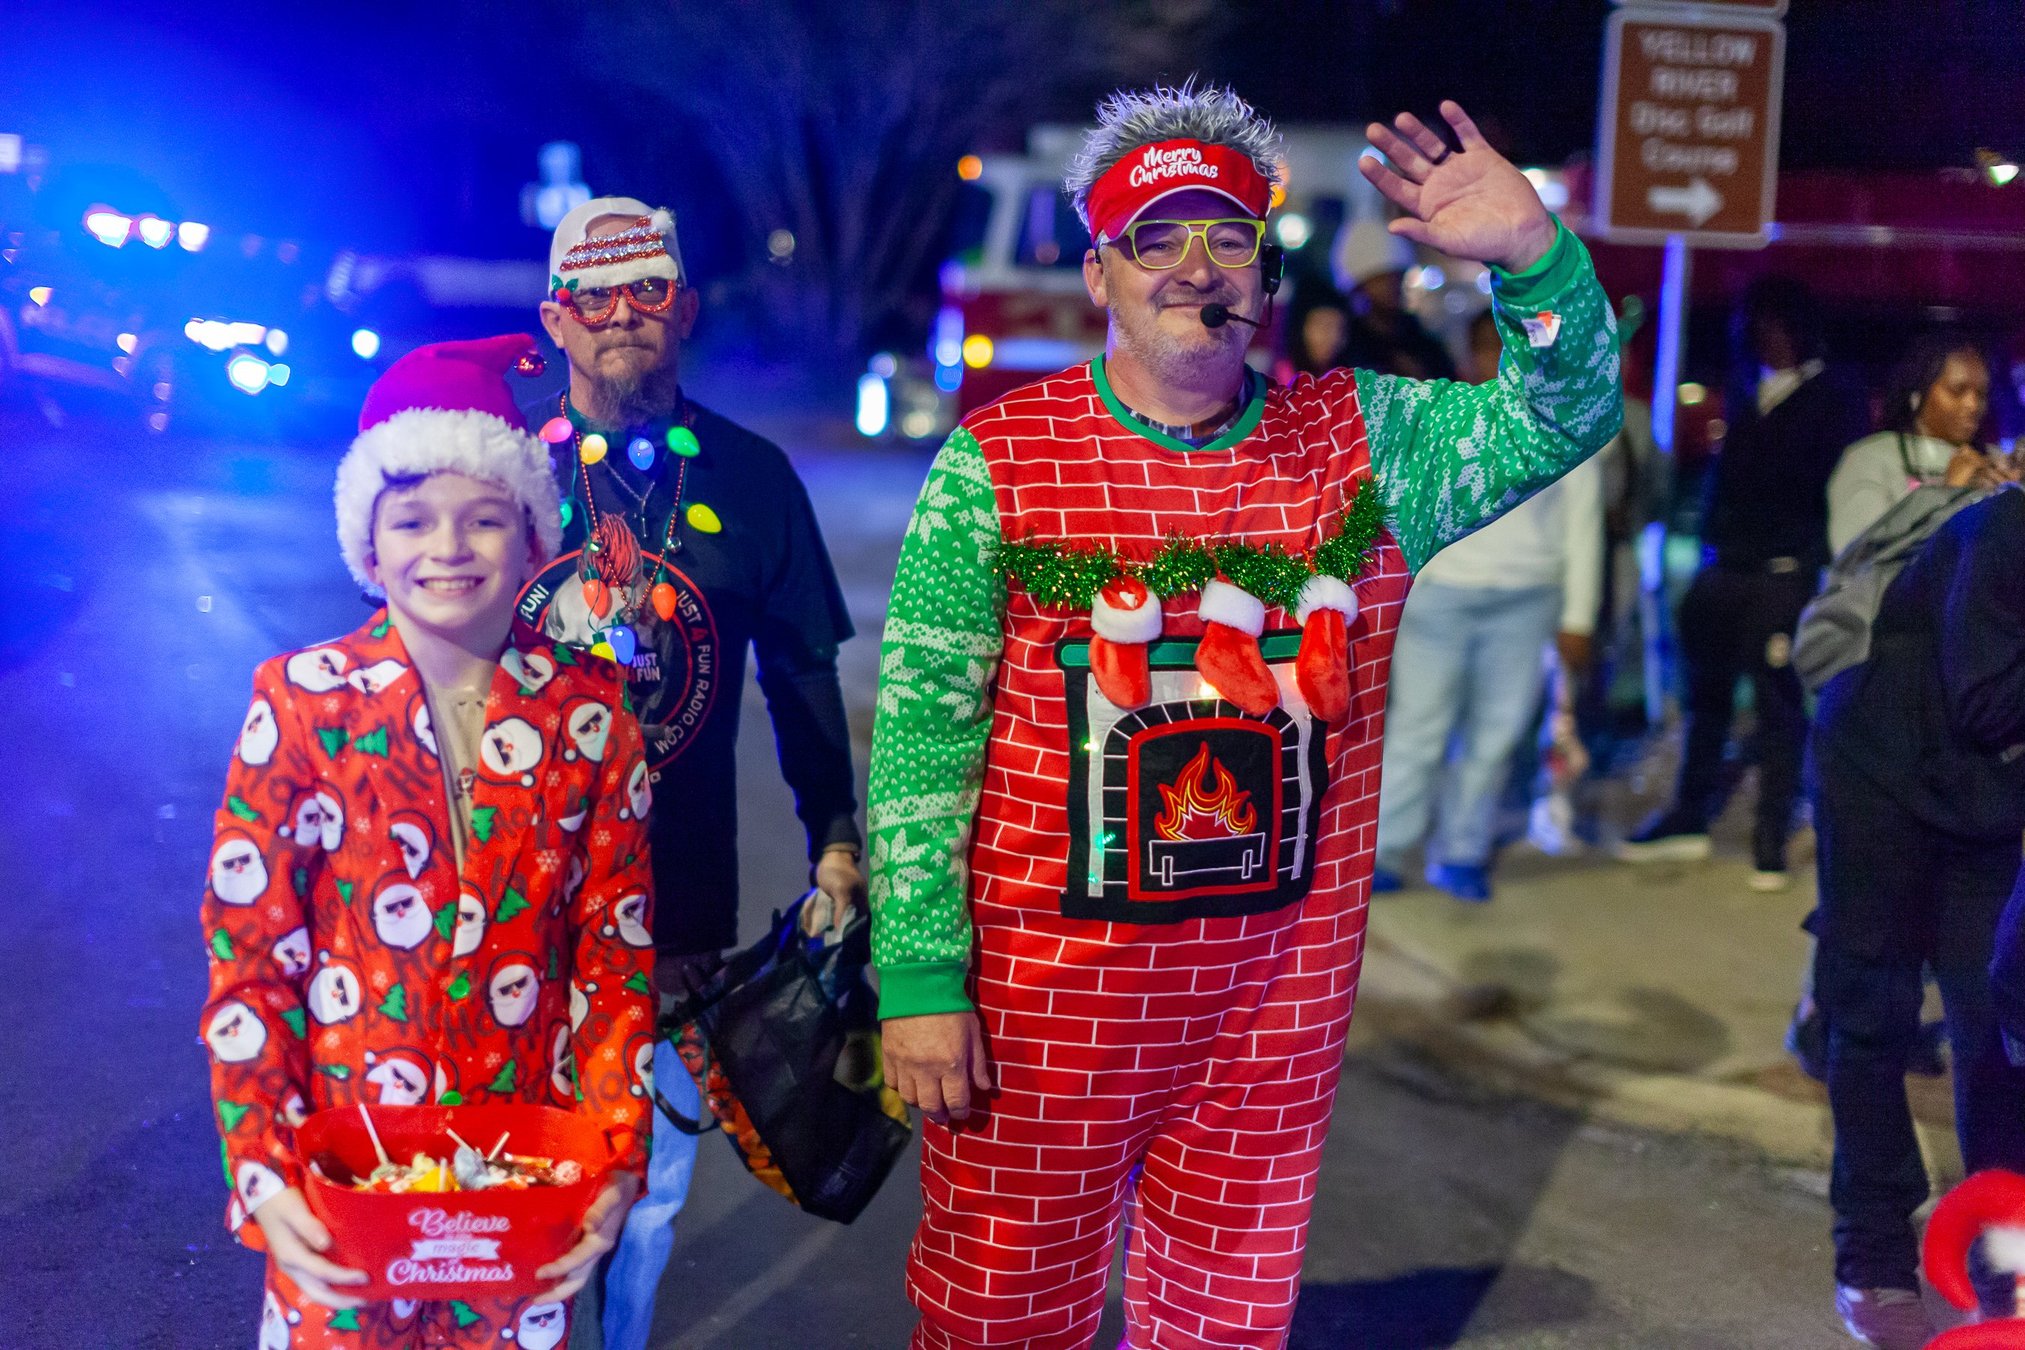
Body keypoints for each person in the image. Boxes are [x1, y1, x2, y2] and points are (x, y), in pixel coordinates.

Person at [866, 81, 1620, 1347]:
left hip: (1269, 1009)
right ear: (1099, 274)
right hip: (1039, 1013)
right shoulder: (996, 460)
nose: (1192, 266)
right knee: (1000, 1315)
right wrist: (921, 980)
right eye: (1154, 239)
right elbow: (922, 742)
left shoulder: (1366, 445)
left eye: (1226, 238)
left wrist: (1535, 256)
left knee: (1221, 1322)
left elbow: (1568, 410)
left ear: (1266, 279)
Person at [200, 335, 655, 1348]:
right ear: (369, 541)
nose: (448, 548)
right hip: (343, 1185)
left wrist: (618, 1159)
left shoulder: (593, 714)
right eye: (412, 520)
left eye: (485, 519)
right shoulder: (302, 702)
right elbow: (251, 965)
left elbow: (611, 963)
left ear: (531, 536)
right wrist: (264, 1171)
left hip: (520, 1195)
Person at [513, 198, 866, 1350]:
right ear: (554, 319)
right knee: (508, 1166)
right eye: (594, 299)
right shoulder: (497, 464)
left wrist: (836, 838)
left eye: (648, 293)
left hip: (677, 900)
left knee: (650, 1186)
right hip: (505, 898)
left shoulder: (755, 479)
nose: (622, 318)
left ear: (687, 311)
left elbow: (803, 675)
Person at [1808, 485, 2025, 1349]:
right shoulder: (2006, 526)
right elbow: (1986, 700)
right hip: (1878, 772)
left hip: (1984, 799)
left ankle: (2002, 1257)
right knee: (1872, 1013)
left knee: (1987, 1024)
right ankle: (1872, 1259)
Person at [1616, 277, 1868, 889]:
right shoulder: (1745, 389)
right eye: (1755, 322)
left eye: (1775, 322)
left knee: (1780, 708)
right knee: (1706, 699)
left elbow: (1823, 494)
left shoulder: (1836, 398)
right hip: (1723, 569)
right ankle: (1688, 816)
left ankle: (1770, 835)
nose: (1763, 335)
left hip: (1782, 576)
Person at [1373, 308, 1603, 900]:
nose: (1495, 357)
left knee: (1496, 736)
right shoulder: (1439, 417)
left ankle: (1463, 852)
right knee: (1417, 731)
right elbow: (1398, 509)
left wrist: (1578, 618)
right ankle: (1390, 850)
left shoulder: (1561, 423)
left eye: (1505, 345)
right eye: (1484, 345)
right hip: (1438, 600)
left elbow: (1584, 526)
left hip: (1527, 600)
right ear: (1469, 350)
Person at [1828, 333, 2005, 554]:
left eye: (1981, 394)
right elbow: (1856, 556)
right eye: (1957, 390)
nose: (1973, 404)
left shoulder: (1995, 459)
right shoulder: (1870, 458)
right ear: (1917, 393)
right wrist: (1948, 494)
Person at [1332, 214, 1457, 379]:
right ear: (1359, 286)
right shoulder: (1343, 346)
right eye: (1381, 280)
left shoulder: (1424, 346)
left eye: (1397, 277)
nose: (1392, 286)